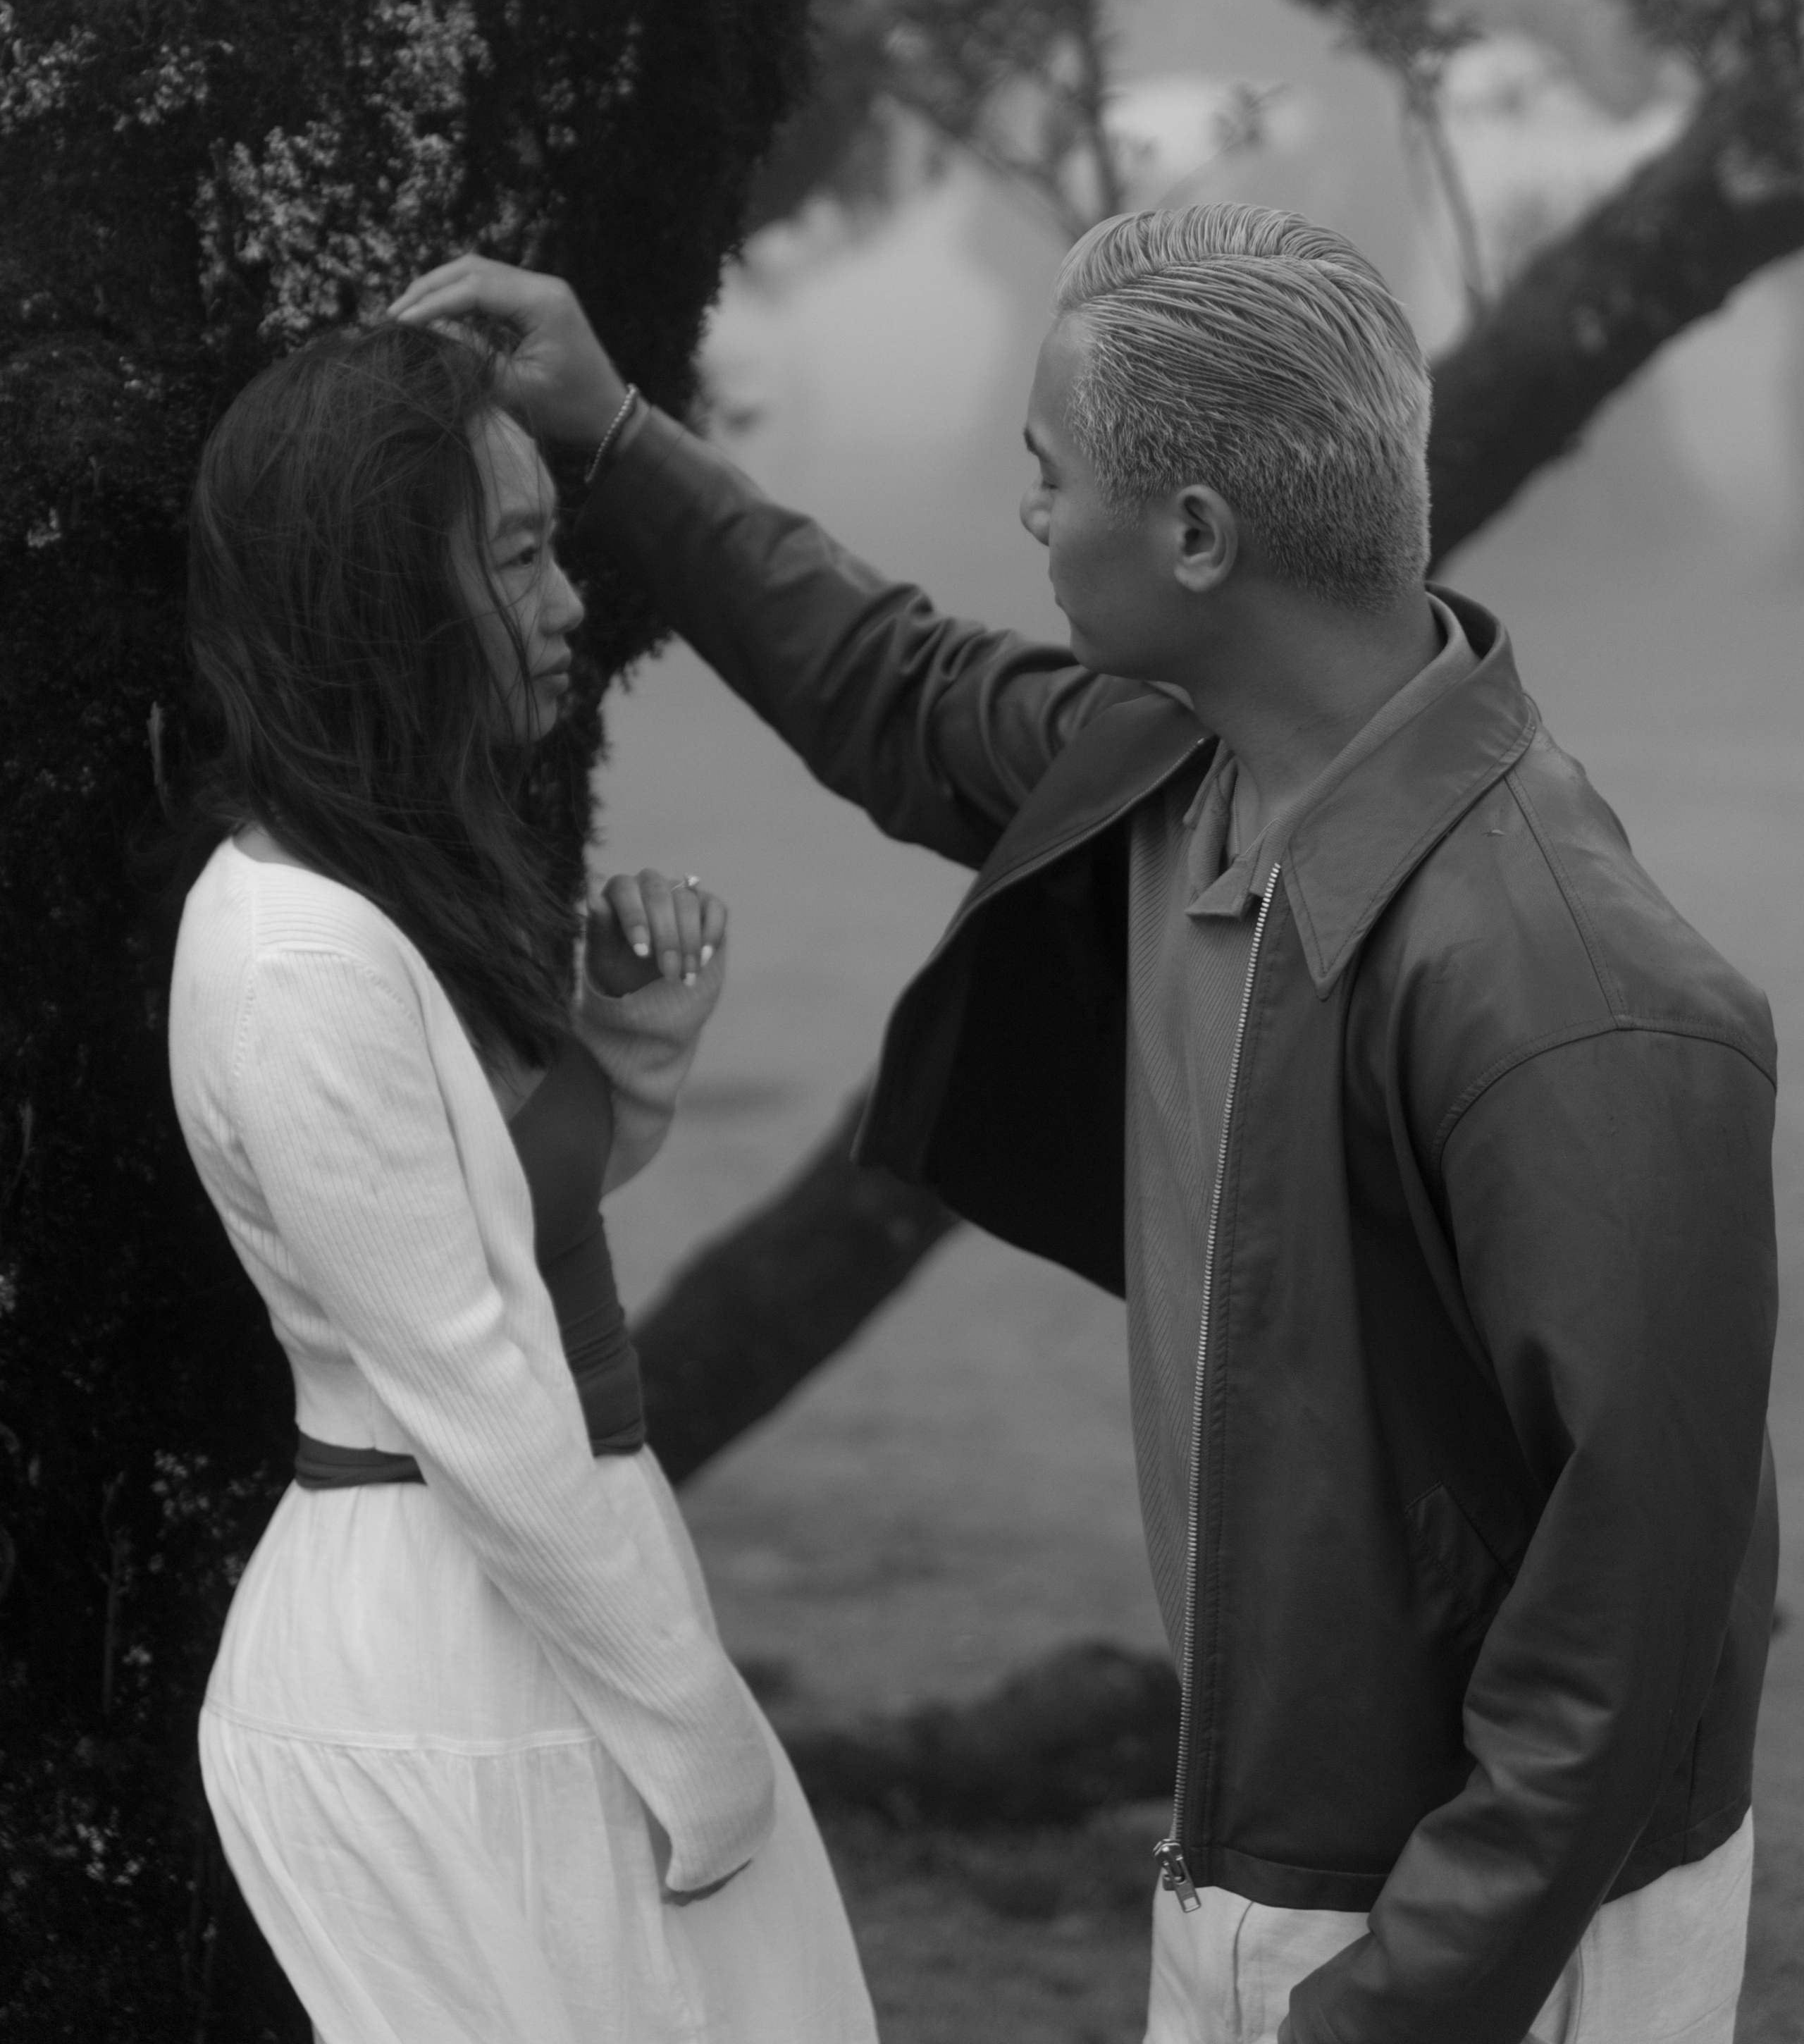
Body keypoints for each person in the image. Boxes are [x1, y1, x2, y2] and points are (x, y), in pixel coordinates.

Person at [395, 205, 1778, 2044]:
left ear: (1196, 538)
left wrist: (1401, 1999)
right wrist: (617, 436)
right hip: (1252, 1868)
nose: (1027, 513)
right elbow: (891, 684)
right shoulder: (1181, 767)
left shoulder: (1574, 993)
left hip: (1490, 1933)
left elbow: (1637, 1619)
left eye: (1051, 478)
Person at [166, 321, 877, 2044]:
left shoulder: (370, 897)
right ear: (375, 599)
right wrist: (699, 1747)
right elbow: (476, 1388)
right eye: (517, 555)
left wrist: (622, 1057)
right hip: (451, 1653)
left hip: (532, 1610)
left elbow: (494, 1241)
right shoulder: (299, 963)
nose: (571, 603)